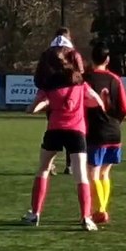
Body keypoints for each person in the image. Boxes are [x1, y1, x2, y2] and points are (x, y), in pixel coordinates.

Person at [24, 46, 105, 230]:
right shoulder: (79, 81)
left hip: (54, 130)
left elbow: (37, 105)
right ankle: (86, 217)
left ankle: (35, 214)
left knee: (43, 169)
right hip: (76, 132)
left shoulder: (49, 84)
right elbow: (95, 100)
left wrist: (33, 109)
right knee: (81, 175)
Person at [85, 43, 126, 224]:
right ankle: (102, 209)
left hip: (96, 132)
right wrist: (115, 122)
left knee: (93, 174)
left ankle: (101, 209)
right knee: (105, 173)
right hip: (114, 132)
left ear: (91, 59)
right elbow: (124, 108)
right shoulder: (115, 79)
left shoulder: (86, 79)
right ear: (108, 60)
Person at [46, 27, 83, 176]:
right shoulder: (74, 54)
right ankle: (70, 164)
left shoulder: (48, 54)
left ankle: (50, 164)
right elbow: (81, 73)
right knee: (73, 130)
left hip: (53, 96)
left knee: (53, 129)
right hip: (72, 97)